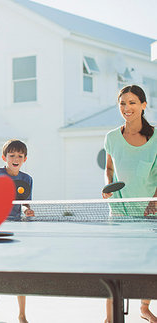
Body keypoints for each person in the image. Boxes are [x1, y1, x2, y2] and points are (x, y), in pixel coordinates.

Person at [102, 85, 156, 323]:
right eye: (123, 103)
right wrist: (108, 187)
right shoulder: (112, 137)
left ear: (144, 105)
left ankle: (144, 307)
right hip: (119, 211)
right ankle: (109, 317)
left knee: (150, 263)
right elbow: (110, 168)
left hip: (148, 210)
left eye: (132, 102)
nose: (127, 108)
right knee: (115, 265)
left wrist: (154, 201)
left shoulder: (156, 137)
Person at [0, 139, 34, 323]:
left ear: (25, 159)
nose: (16, 158)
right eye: (12, 155)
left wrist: (27, 210)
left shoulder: (27, 179)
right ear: (5, 157)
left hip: (16, 227)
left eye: (20, 156)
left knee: (20, 269)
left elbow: (26, 202)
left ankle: (21, 314)